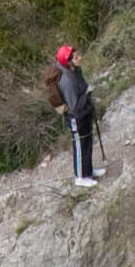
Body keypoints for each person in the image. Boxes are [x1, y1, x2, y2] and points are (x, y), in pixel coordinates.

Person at [53, 45, 98, 187]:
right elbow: (74, 106)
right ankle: (80, 177)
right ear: (68, 61)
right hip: (76, 118)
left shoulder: (75, 71)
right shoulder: (66, 81)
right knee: (80, 146)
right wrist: (87, 94)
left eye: (79, 55)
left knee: (88, 143)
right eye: (76, 57)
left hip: (84, 113)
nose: (80, 58)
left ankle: (88, 171)